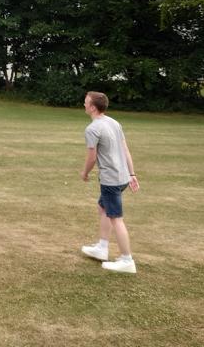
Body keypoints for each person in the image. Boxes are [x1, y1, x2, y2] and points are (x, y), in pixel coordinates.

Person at [80, 91, 140, 273]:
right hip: (121, 178)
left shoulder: (92, 129)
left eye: (85, 102)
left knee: (116, 218)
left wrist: (84, 173)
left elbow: (92, 157)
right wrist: (131, 174)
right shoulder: (114, 122)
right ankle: (102, 247)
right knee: (103, 208)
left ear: (92, 107)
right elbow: (126, 149)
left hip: (111, 179)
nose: (83, 104)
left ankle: (126, 260)